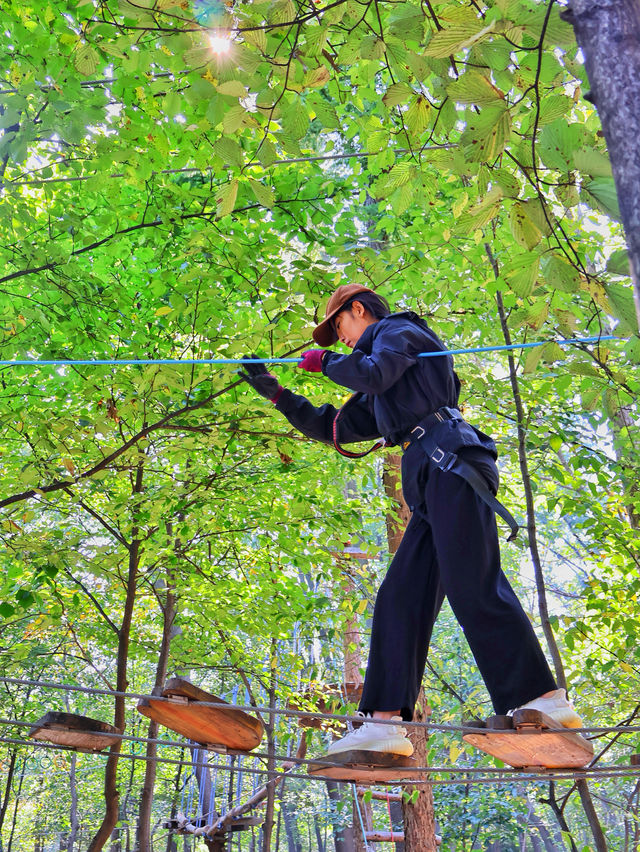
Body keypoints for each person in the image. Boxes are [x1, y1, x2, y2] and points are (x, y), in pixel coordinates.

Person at [240, 284, 581, 757]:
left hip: (451, 461)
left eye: (339, 328)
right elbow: (336, 427)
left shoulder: (399, 332)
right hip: (431, 479)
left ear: (358, 310)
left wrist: (327, 364)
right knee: (400, 597)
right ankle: (382, 722)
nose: (339, 342)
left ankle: (543, 700)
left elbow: (374, 373)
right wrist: (277, 394)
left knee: (472, 584)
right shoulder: (382, 382)